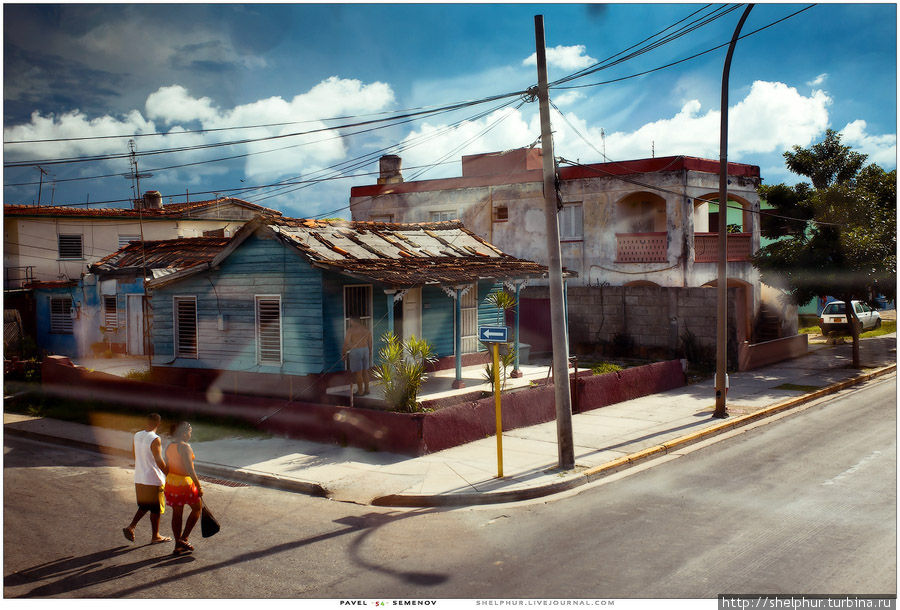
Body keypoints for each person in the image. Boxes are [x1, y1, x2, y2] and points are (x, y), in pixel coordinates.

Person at [123, 413, 171, 544]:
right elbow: (159, 460)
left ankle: (131, 527)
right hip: (153, 478)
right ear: (158, 424)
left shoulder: (137, 435)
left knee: (145, 505)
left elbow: (134, 454)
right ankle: (155, 536)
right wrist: (168, 473)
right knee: (155, 509)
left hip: (139, 477)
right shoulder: (155, 438)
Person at [164, 421, 203, 555]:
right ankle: (184, 538)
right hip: (184, 483)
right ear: (184, 433)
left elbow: (167, 466)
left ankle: (178, 545)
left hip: (171, 481)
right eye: (190, 432)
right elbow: (190, 470)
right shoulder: (185, 447)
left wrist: (168, 480)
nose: (190, 434)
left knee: (177, 513)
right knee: (197, 508)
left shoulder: (169, 446)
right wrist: (199, 486)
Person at [342, 316, 372, 396]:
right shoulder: (366, 329)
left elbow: (346, 343)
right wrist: (370, 352)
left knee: (358, 373)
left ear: (353, 321)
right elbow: (370, 342)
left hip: (356, 351)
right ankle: (367, 389)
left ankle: (360, 391)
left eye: (350, 321)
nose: (350, 322)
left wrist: (344, 353)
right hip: (365, 350)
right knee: (365, 371)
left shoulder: (351, 330)